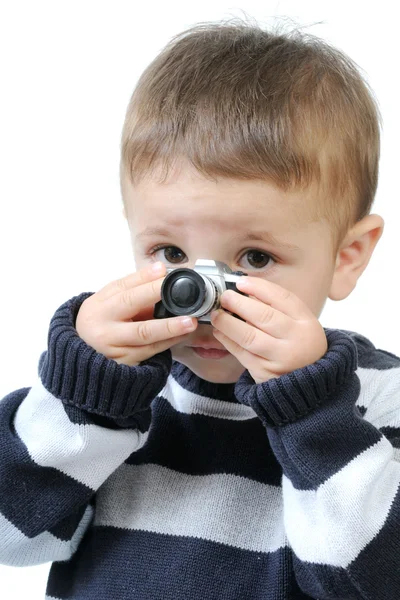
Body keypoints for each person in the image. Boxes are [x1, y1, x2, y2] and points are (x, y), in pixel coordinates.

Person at [0, 16, 399, 600]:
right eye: (171, 253)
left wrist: (313, 415)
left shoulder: (375, 401)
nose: (206, 297)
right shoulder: (118, 399)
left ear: (346, 256)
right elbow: (12, 538)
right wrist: (83, 395)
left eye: (255, 258)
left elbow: (368, 584)